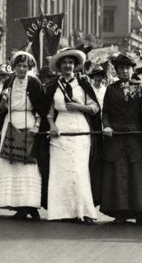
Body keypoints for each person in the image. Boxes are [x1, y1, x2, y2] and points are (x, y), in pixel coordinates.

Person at [45, 48, 101, 223]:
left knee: (78, 171)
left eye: (70, 63)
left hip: (80, 128)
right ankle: (62, 211)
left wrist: (79, 107)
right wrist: (52, 125)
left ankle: (83, 211)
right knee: (60, 172)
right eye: (64, 63)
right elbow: (48, 112)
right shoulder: (54, 85)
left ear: (75, 65)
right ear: (60, 66)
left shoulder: (83, 83)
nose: (67, 66)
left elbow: (95, 108)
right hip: (60, 131)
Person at [0, 51, 47, 220]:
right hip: (11, 125)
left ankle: (31, 205)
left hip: (28, 125)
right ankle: (18, 206)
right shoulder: (8, 82)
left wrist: (37, 126)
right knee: (12, 165)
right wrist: (4, 101)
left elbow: (42, 108)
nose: (22, 69)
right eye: (19, 66)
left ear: (29, 67)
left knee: (29, 167)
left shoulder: (34, 83)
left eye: (25, 66)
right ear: (14, 67)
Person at [101, 53, 142, 226]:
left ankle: (140, 212)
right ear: (116, 71)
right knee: (119, 173)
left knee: (137, 174)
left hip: (136, 137)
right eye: (120, 68)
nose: (124, 71)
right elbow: (105, 111)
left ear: (132, 70)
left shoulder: (140, 88)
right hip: (115, 137)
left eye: (127, 68)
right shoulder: (111, 89)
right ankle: (120, 212)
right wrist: (106, 126)